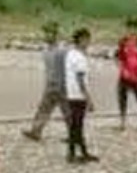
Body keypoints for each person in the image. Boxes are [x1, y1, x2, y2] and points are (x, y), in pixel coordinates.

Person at [23, 22, 67, 141]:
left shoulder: (62, 51)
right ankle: (36, 131)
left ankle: (74, 134)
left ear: (55, 34)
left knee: (67, 111)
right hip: (50, 84)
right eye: (46, 33)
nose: (46, 36)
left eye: (49, 33)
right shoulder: (46, 50)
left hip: (62, 85)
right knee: (43, 108)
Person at [64, 28, 98, 164]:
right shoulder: (80, 57)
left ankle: (81, 151)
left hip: (71, 93)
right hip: (78, 95)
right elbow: (80, 79)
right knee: (77, 126)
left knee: (76, 125)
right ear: (82, 40)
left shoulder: (70, 54)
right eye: (87, 39)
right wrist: (89, 99)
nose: (88, 42)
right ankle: (72, 154)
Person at [115, 18, 137, 130]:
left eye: (134, 28)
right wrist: (122, 69)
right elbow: (119, 58)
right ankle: (122, 121)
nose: (132, 31)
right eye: (129, 28)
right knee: (122, 97)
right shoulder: (122, 42)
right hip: (125, 75)